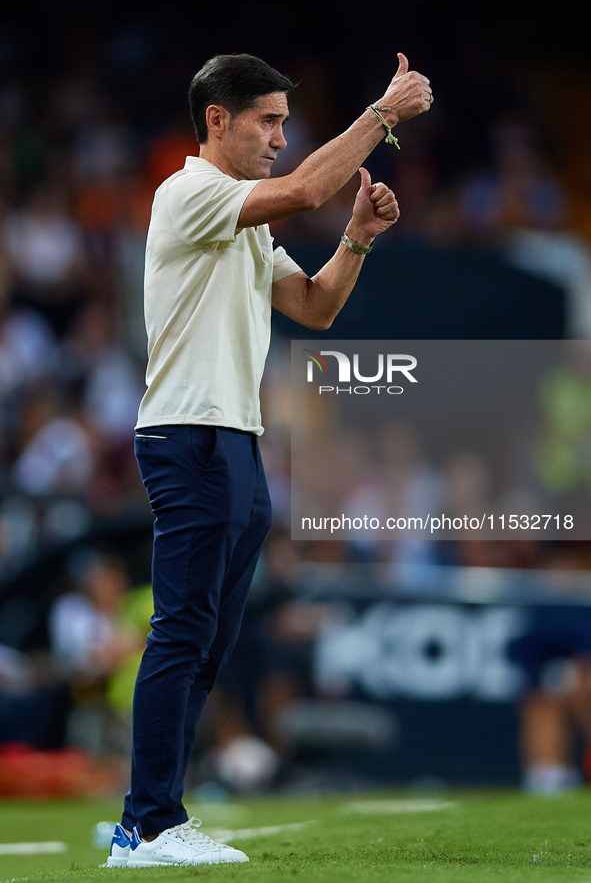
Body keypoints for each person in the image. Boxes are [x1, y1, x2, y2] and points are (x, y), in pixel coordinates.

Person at [107, 51, 432, 868]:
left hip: (235, 440)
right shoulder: (189, 195)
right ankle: (146, 824)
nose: (282, 138)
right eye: (269, 121)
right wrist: (381, 116)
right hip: (186, 435)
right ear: (217, 120)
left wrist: (357, 238)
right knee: (182, 631)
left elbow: (314, 306)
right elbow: (304, 192)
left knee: (208, 643)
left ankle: (156, 815)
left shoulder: (239, 220)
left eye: (285, 123)